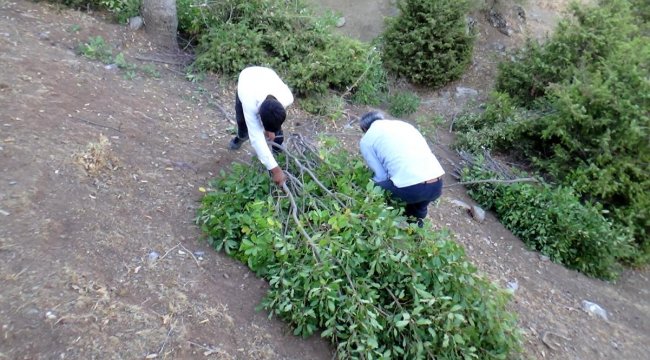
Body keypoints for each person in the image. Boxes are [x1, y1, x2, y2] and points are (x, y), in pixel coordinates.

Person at [359, 111, 445, 227]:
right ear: (381, 119)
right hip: (437, 184)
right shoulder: (404, 125)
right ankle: (417, 229)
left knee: (374, 189)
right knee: (414, 213)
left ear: (364, 128)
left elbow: (381, 176)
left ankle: (374, 224)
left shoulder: (367, 140)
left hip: (414, 189)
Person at [229, 66, 294, 186]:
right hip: (247, 78)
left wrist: (272, 130)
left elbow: (276, 114)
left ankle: (277, 154)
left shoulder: (287, 97)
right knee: (242, 124)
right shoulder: (249, 103)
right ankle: (241, 137)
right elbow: (256, 139)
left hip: (267, 75)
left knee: (277, 132)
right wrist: (276, 170)